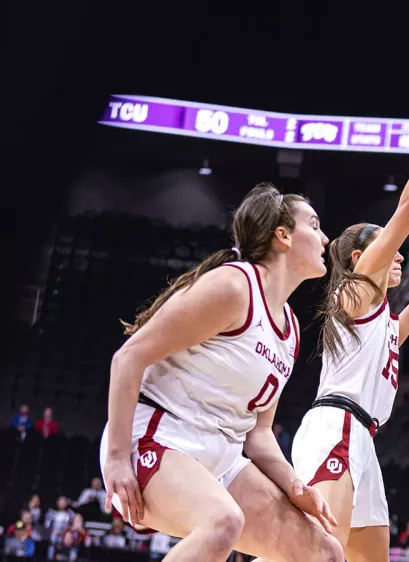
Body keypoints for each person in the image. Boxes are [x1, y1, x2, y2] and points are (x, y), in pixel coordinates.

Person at [100, 183, 343, 562]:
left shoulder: (291, 330)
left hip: (223, 456)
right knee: (223, 522)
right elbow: (128, 358)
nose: (326, 238)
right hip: (158, 436)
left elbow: (259, 433)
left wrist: (294, 485)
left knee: (324, 552)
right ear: (283, 236)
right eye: (314, 226)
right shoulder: (234, 285)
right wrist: (116, 458)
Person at [291, 80, 409, 562]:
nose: (399, 252)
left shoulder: (373, 312)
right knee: (323, 553)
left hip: (362, 435)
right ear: (363, 256)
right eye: (389, 246)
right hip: (336, 424)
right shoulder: (355, 290)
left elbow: (391, 340)